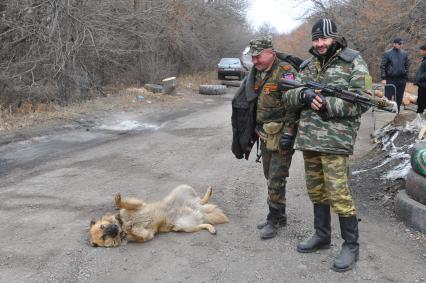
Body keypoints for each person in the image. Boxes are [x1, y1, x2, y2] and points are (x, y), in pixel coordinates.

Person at [282, 19, 372, 272]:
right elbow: (288, 94)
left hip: (335, 140)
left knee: (339, 193)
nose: (319, 44)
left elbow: (363, 101)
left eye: (324, 39)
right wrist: (304, 95)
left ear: (335, 38)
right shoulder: (309, 64)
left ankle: (351, 246)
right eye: (315, 40)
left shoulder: (353, 62)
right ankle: (322, 235)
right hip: (309, 138)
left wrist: (328, 105)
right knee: (316, 190)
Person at [239, 36, 299, 239]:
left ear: (270, 53)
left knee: (276, 177)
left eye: (257, 57)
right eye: (252, 58)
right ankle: (279, 216)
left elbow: (294, 105)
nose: (254, 61)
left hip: (281, 133)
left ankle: (273, 219)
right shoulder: (256, 72)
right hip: (264, 134)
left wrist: (289, 133)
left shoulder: (286, 72)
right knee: (268, 175)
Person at [380, 37, 410, 113]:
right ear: (394, 44)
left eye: (401, 44)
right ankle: (385, 111)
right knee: (387, 96)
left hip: (401, 79)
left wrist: (405, 76)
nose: (400, 45)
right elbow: (383, 66)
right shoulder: (387, 53)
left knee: (399, 97)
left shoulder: (404, 53)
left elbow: (407, 65)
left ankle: (398, 111)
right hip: (390, 79)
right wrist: (383, 78)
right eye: (399, 44)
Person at [415, 44, 426, 114]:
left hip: (424, 84)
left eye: (421, 51)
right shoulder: (424, 59)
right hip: (421, 84)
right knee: (420, 101)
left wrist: (420, 78)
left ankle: (420, 117)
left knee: (422, 102)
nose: (421, 52)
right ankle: (419, 114)